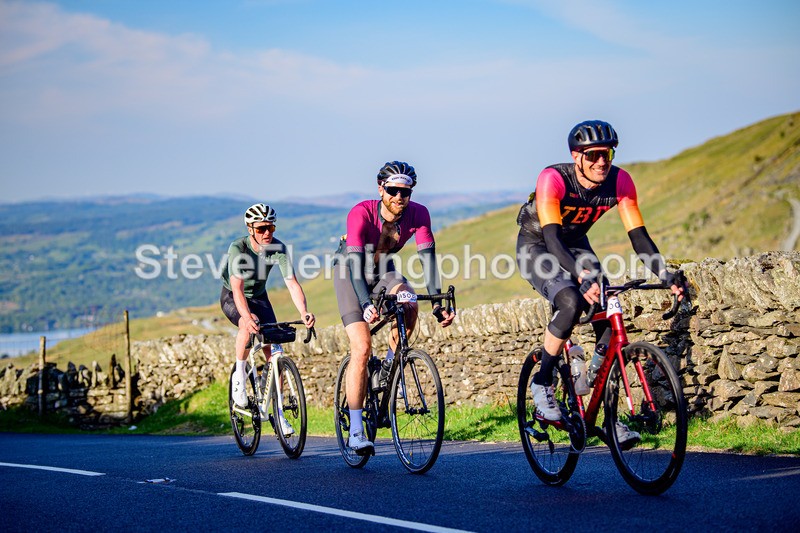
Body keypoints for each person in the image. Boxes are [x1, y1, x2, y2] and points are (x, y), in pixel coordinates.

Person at [515, 120, 684, 445]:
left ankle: (597, 399)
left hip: (577, 245)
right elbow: (552, 238)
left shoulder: (620, 181)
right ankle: (543, 381)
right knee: (571, 301)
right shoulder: (553, 178)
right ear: (577, 156)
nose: (601, 162)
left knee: (609, 309)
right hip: (538, 245)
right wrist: (580, 278)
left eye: (606, 154)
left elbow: (639, 237)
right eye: (592, 155)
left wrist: (665, 275)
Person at [334, 161, 455, 453]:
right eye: (393, 190)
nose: (399, 197)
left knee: (409, 299)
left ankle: (390, 363)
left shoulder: (419, 214)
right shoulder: (361, 213)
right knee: (362, 348)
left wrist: (437, 304)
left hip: (383, 270)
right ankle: (356, 431)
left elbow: (428, 260)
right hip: (350, 273)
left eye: (405, 192)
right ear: (381, 189)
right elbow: (352, 264)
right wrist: (365, 303)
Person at [220, 203, 315, 437]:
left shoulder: (278, 248)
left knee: (275, 352)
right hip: (234, 296)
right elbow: (238, 289)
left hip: (260, 297)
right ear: (251, 229)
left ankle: (279, 413)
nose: (267, 233)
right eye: (261, 228)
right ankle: (240, 378)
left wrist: (304, 311)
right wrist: (246, 316)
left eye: (270, 227)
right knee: (247, 322)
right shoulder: (238, 248)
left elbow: (292, 283)